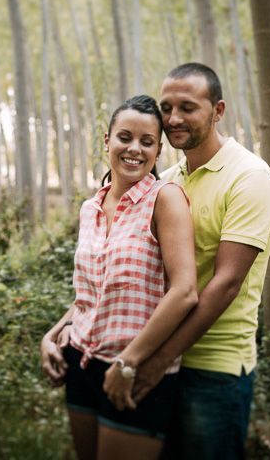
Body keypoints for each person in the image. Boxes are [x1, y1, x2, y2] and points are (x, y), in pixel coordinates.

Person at [133, 63, 270, 459]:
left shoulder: (249, 176)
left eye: (187, 107)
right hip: (160, 357)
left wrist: (159, 359)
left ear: (218, 111)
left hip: (214, 366)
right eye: (166, 107)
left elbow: (226, 284)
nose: (174, 119)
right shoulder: (167, 180)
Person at [40, 94, 198, 460]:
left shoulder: (165, 198)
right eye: (124, 137)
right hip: (80, 365)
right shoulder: (90, 207)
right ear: (107, 141)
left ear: (158, 151)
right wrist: (50, 336)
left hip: (134, 372)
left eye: (147, 142)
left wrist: (128, 362)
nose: (134, 149)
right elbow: (91, 294)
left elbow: (185, 291)